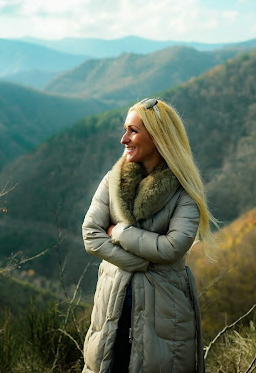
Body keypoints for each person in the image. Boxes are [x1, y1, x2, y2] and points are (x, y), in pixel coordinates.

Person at [82, 98, 216, 373]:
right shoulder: (113, 180)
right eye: (125, 129)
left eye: (133, 131)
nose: (123, 139)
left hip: (165, 314)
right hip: (112, 306)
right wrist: (140, 263)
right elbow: (91, 235)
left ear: (158, 137)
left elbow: (172, 248)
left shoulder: (185, 190)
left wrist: (119, 231)